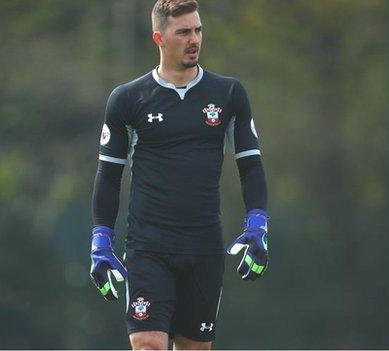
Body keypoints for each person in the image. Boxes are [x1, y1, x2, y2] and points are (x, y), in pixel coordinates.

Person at [89, 0, 269, 349]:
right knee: (148, 344)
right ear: (159, 37)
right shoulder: (128, 99)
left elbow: (250, 165)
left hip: (203, 248)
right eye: (183, 31)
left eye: (198, 30)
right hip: (148, 248)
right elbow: (108, 176)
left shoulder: (228, 94)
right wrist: (100, 242)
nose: (194, 39)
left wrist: (258, 225)